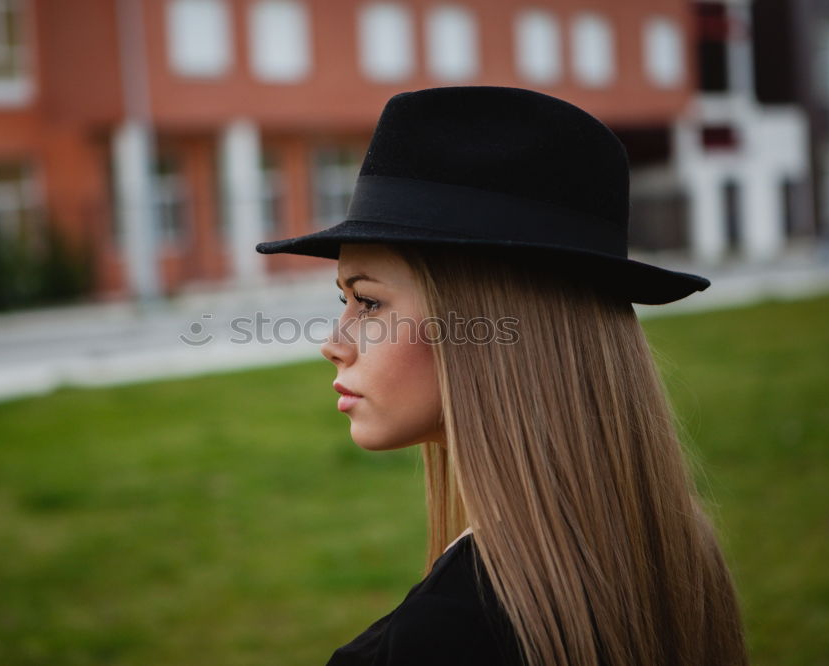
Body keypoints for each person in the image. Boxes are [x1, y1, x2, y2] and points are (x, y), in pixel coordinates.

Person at [255, 86, 748, 666]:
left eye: (367, 303)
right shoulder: (673, 552)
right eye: (343, 300)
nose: (333, 345)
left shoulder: (450, 632)